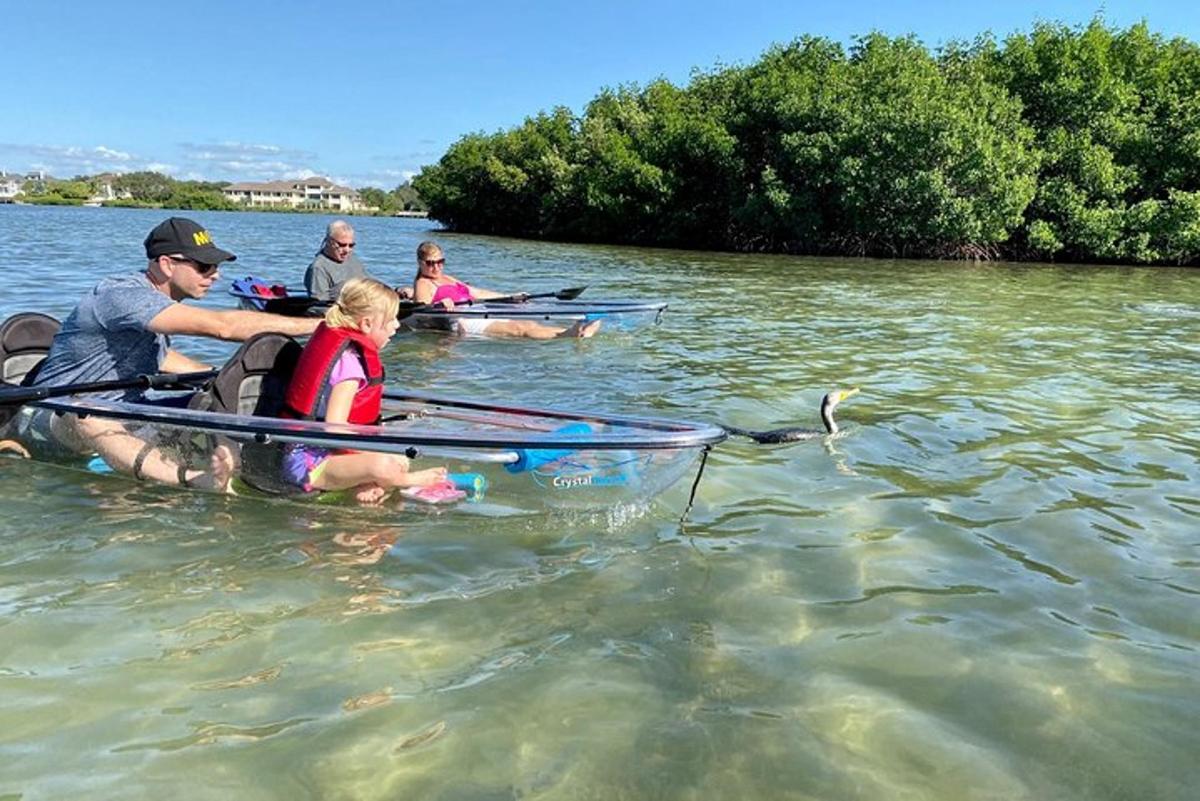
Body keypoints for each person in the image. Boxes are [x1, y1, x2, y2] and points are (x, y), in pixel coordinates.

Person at [24, 217, 322, 490]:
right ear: (166, 264)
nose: (215, 275)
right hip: (50, 416)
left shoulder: (158, 303)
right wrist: (322, 325)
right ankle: (195, 480)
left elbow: (161, 358)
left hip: (129, 409)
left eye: (216, 267)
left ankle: (253, 471)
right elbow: (222, 327)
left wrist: (218, 379)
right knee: (88, 413)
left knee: (210, 398)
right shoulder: (122, 294)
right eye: (204, 267)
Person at [280, 277, 449, 504]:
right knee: (384, 465)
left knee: (399, 460)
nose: (397, 325)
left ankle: (370, 486)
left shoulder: (348, 351)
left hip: (324, 452)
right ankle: (404, 481)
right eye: (391, 320)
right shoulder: (349, 365)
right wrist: (376, 456)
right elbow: (334, 429)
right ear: (367, 324)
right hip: (308, 461)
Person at [411, 241, 600, 339]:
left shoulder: (447, 278)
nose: (437, 267)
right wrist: (438, 305)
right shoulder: (423, 284)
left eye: (440, 262)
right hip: (464, 322)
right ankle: (571, 335)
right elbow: (422, 312)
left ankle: (575, 334)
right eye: (431, 263)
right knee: (519, 329)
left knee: (528, 324)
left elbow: (477, 293)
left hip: (480, 312)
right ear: (420, 263)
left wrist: (510, 297)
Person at [303, 220, 413, 302]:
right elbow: (319, 307)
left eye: (351, 245)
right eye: (341, 245)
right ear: (329, 242)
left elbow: (370, 282)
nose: (347, 250)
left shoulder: (352, 258)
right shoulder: (318, 268)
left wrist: (396, 291)